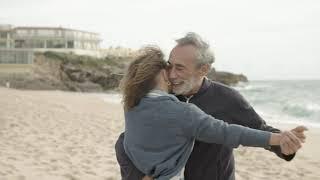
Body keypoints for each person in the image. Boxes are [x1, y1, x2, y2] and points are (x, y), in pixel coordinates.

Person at [115, 33, 307, 180]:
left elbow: (259, 130)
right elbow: (126, 140)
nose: (172, 75)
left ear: (203, 69)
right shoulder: (163, 99)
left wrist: (285, 146)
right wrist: (138, 177)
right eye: (170, 66)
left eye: (180, 68)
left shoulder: (228, 98)